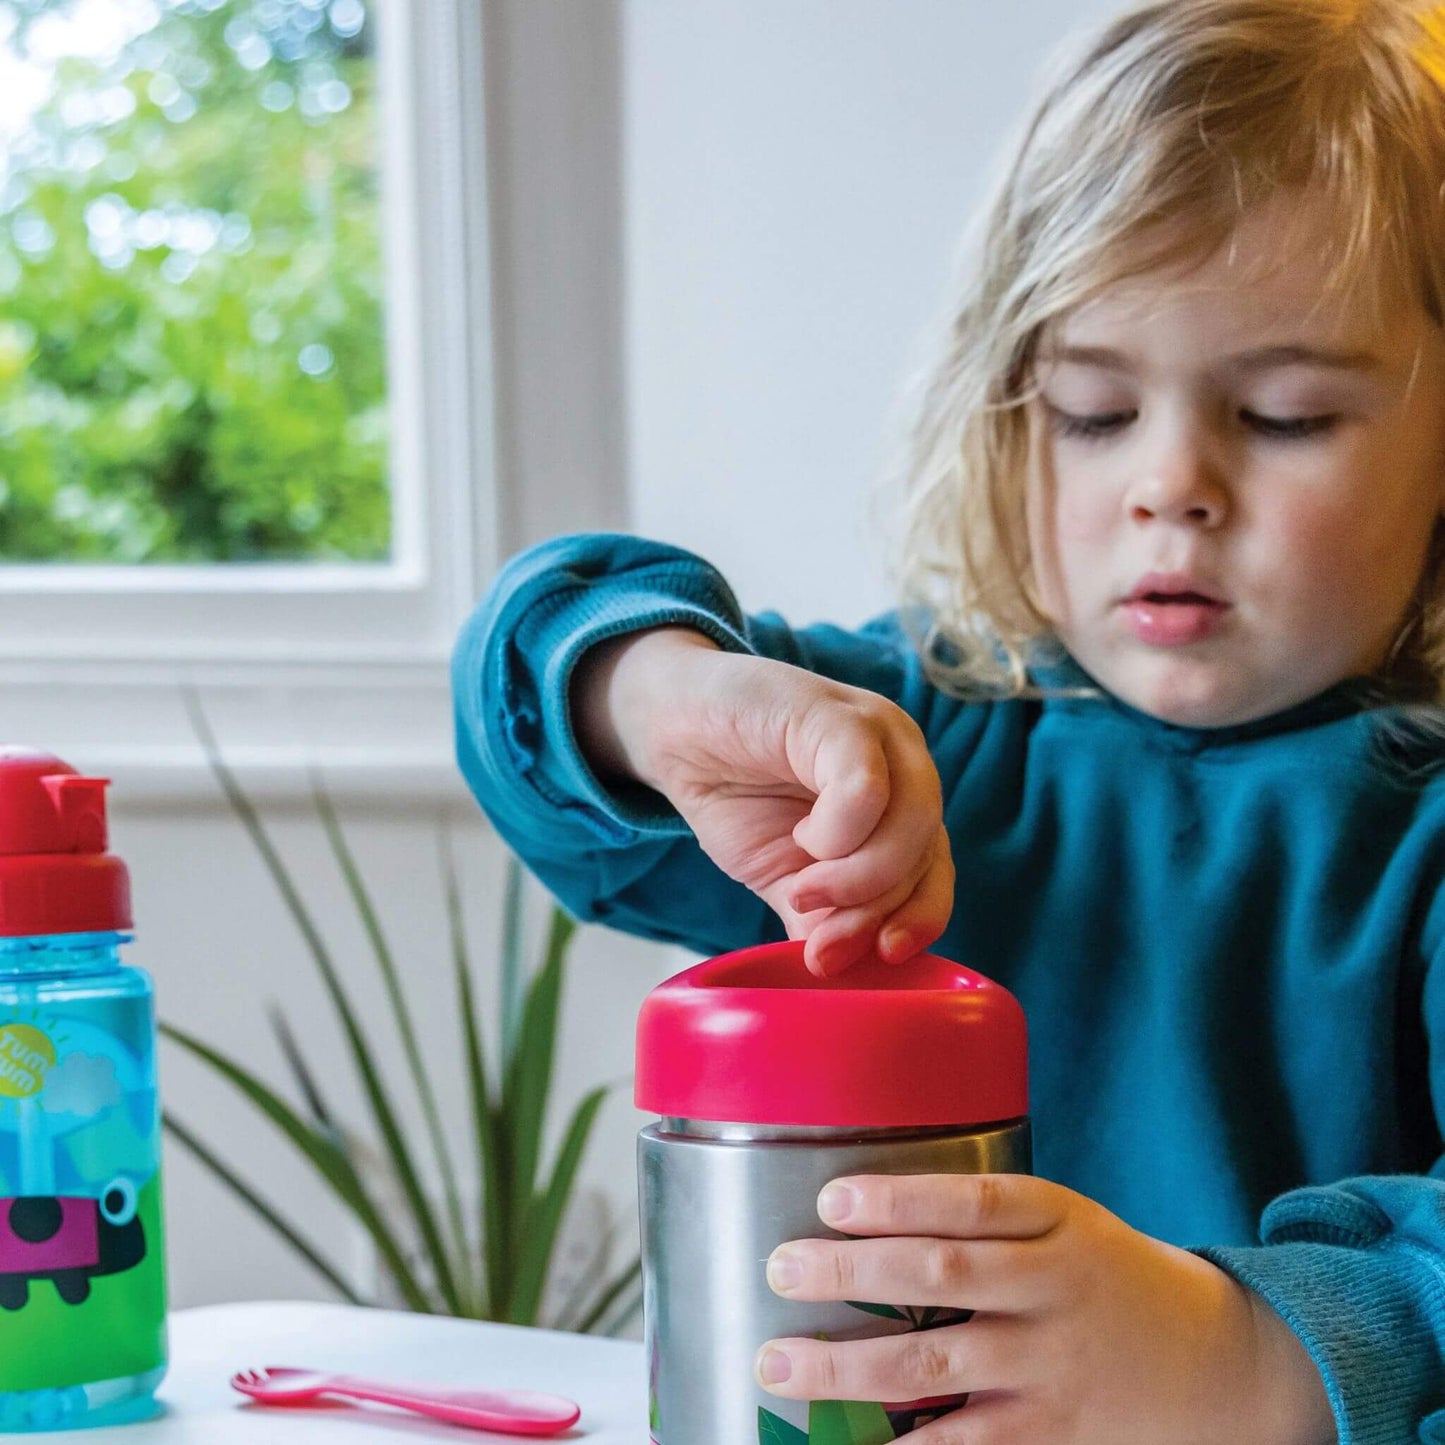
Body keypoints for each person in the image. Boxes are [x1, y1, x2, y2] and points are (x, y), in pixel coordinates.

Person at [452, 1, 1445, 1438]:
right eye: (1092, 411)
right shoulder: (926, 727)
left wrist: (1247, 1354)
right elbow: (523, 693)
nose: (1169, 484)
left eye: (1284, 415)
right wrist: (665, 690)